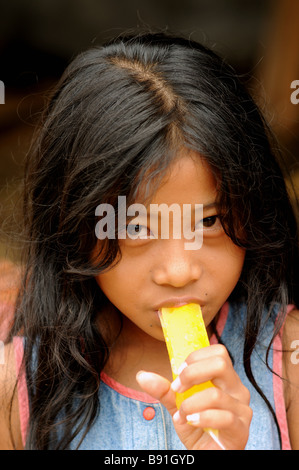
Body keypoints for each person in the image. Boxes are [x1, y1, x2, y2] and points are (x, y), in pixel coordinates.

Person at [0, 31, 298, 451]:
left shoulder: (287, 362)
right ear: (74, 227)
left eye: (210, 220)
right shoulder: (17, 387)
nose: (179, 271)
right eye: (137, 228)